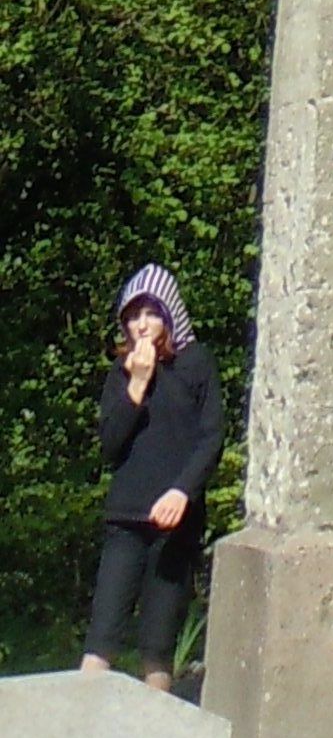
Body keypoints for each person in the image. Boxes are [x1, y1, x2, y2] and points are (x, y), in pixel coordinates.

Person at [82, 265, 222, 689]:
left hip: (176, 527)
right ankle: (77, 732)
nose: (141, 324)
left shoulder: (196, 364)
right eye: (133, 314)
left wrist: (183, 491)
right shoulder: (121, 373)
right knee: (101, 638)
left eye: (151, 313)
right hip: (126, 520)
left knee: (157, 646)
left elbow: (212, 437)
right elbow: (110, 444)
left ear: (169, 315)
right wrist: (137, 383)